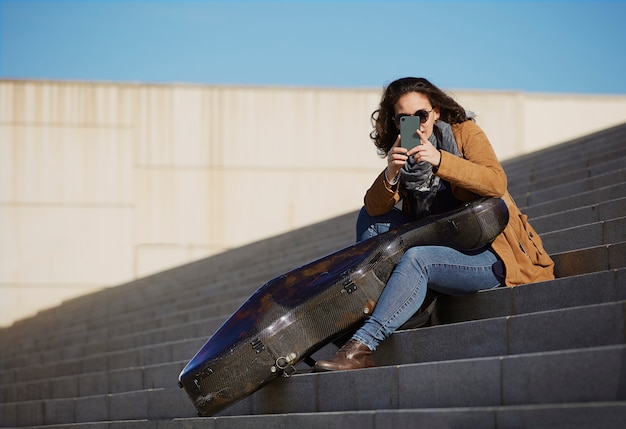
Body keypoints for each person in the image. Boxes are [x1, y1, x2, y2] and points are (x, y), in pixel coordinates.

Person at [314, 77, 555, 372]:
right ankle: (403, 307)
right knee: (370, 219)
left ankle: (362, 346)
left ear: (436, 111)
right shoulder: (406, 151)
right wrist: (391, 173)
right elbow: (375, 208)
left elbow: (496, 182)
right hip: (443, 244)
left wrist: (441, 160)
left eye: (422, 115)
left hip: (491, 254)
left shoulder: (465, 133)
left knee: (419, 259)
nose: (416, 124)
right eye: (405, 118)